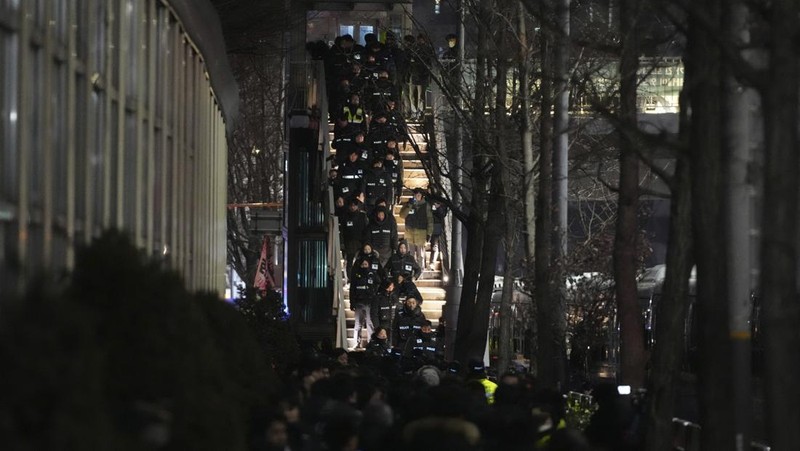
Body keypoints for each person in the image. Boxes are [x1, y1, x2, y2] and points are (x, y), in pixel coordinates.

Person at [350, 258, 380, 348]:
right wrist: (352, 302)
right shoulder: (356, 275)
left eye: (366, 264)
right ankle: (356, 342)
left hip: (369, 302)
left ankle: (370, 342)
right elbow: (352, 289)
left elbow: (378, 283)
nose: (364, 266)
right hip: (359, 302)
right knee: (358, 323)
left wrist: (373, 292)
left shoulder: (372, 275)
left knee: (370, 323)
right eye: (363, 264)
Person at [400, 188, 434, 270]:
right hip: (409, 232)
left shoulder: (426, 205)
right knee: (410, 254)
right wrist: (409, 205)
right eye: (416, 194)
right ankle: (410, 270)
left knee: (420, 255)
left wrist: (429, 233)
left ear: (422, 196)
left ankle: (420, 271)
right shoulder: (408, 204)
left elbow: (430, 220)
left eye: (419, 195)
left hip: (421, 233)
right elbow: (402, 215)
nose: (417, 196)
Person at [339, 198, 368, 272]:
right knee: (349, 262)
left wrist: (366, 242)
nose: (353, 207)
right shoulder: (345, 216)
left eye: (354, 205)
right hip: (349, 243)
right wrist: (342, 243)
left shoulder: (362, 216)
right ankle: (349, 278)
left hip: (360, 243)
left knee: (361, 261)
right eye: (351, 205)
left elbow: (366, 229)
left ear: (357, 206)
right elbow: (342, 230)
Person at [429, 199, 448, 270]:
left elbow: (443, 214)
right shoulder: (429, 201)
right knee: (432, 245)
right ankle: (430, 262)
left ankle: (432, 262)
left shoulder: (442, 203)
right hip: (429, 226)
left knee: (434, 246)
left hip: (437, 227)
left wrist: (438, 207)